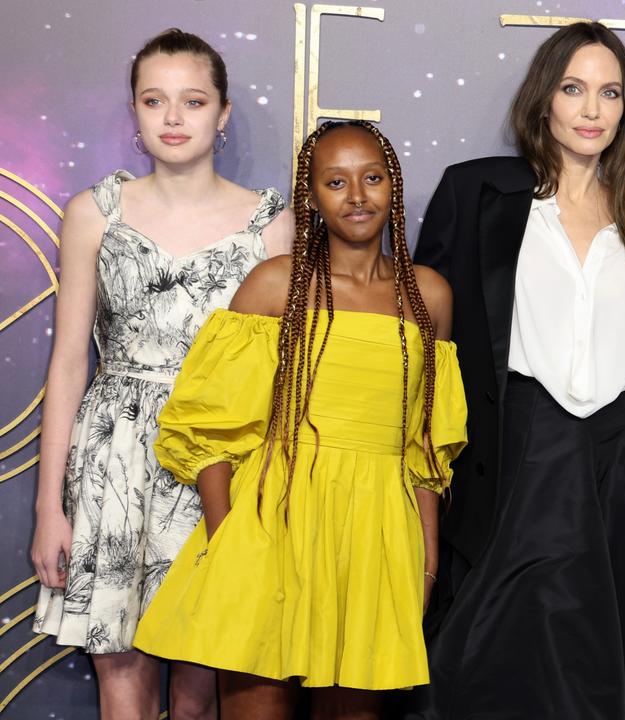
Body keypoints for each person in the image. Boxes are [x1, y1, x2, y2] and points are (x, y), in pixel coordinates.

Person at [132, 120, 466, 719]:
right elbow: (210, 427)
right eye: (336, 182)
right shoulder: (274, 284)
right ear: (311, 197)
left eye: (372, 178)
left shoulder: (429, 296)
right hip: (272, 524)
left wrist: (427, 555)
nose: (358, 196)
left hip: (375, 536)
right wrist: (226, 537)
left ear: (393, 186)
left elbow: (425, 445)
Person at [407, 21, 625, 720]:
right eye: (574, 88)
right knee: (484, 660)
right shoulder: (477, 195)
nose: (592, 109)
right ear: (544, 100)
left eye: (610, 92)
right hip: (517, 459)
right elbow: (426, 343)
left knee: (610, 670)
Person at [29, 28, 290, 719]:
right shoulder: (93, 215)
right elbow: (68, 363)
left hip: (219, 460)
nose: (173, 119)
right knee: (120, 673)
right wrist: (47, 506)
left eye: (194, 101)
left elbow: (279, 376)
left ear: (223, 113)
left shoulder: (271, 226)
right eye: (155, 100)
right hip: (113, 457)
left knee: (203, 682)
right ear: (135, 113)